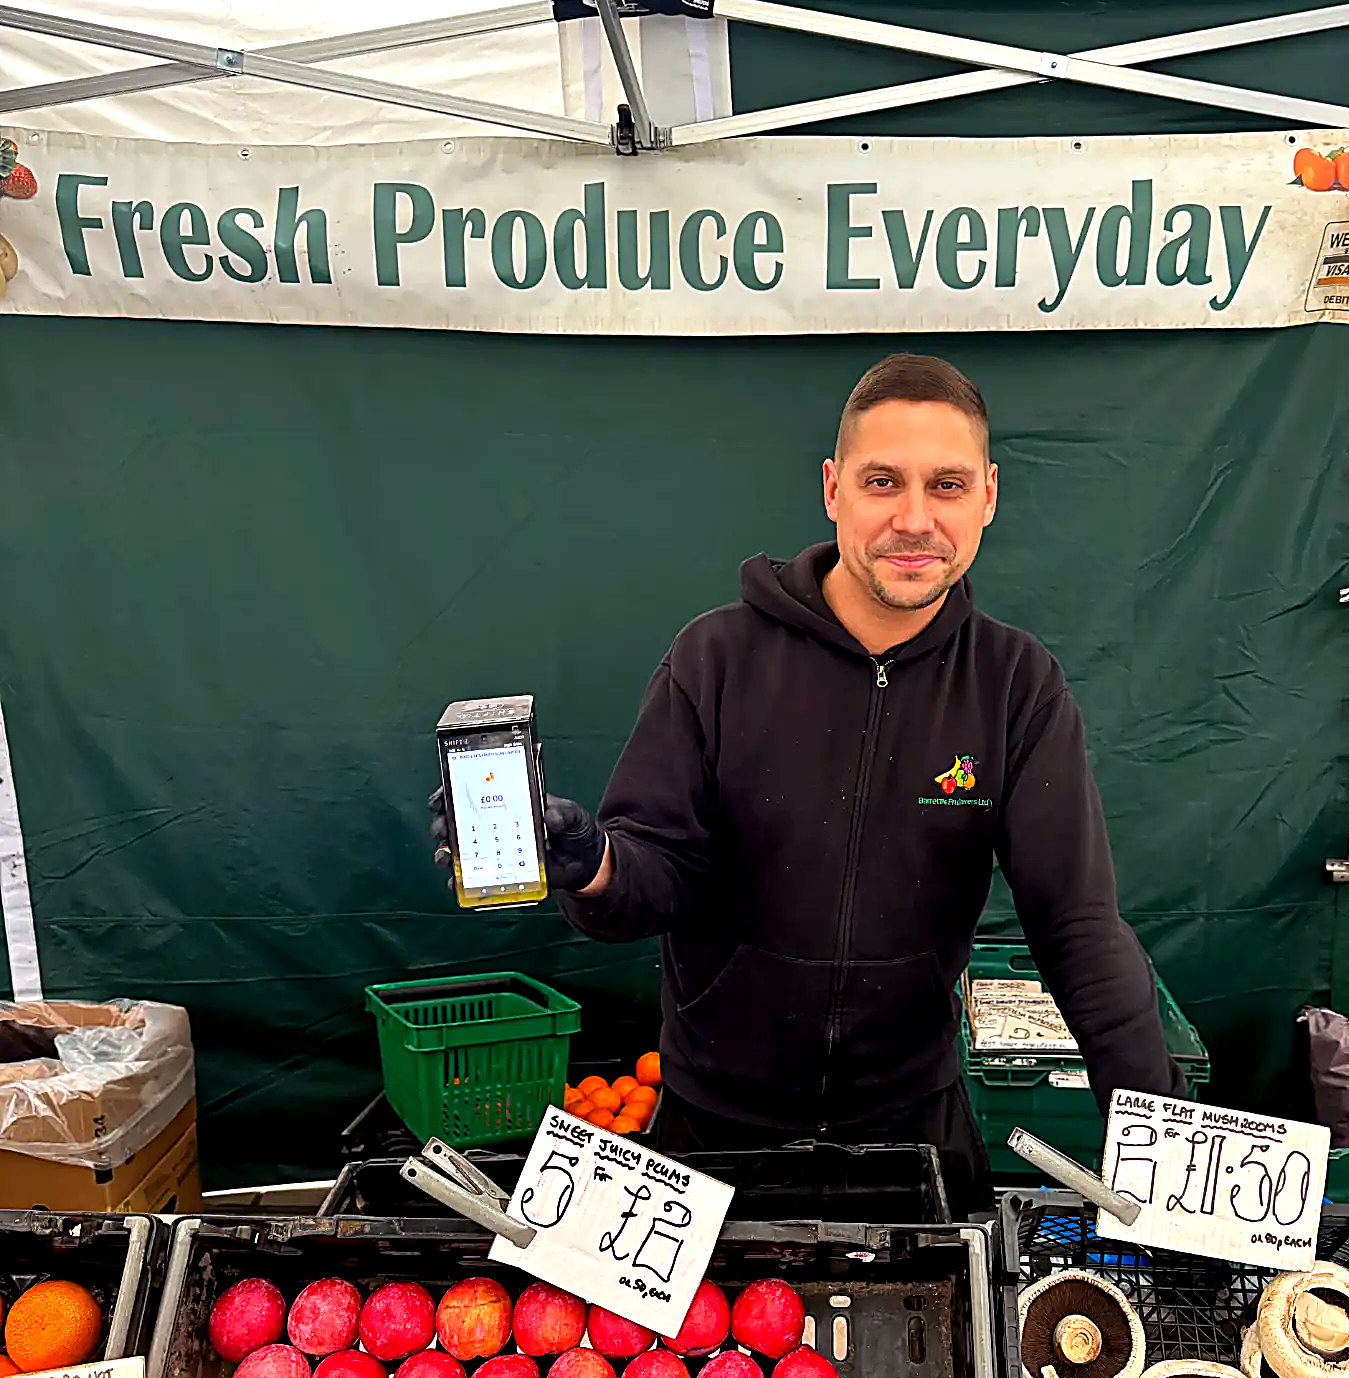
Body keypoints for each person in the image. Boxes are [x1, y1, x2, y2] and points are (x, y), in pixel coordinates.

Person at [438, 354, 1184, 1214]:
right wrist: (591, 863)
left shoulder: (1017, 686)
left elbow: (1079, 929)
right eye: (882, 482)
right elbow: (650, 880)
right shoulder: (715, 659)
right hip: (711, 1133)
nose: (914, 519)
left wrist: (1165, 1144)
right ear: (833, 490)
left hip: (914, 1131)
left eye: (946, 485)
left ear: (987, 496)